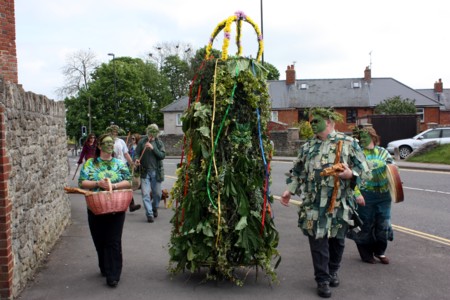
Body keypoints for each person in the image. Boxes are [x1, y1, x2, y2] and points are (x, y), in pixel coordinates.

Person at [280, 108, 371, 298]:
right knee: (318, 242)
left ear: (329, 122)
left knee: (337, 240)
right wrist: (290, 190)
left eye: (316, 121)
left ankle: (333, 270)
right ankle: (322, 279)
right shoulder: (307, 147)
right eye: (311, 121)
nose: (312, 124)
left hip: (339, 203)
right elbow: (297, 172)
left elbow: (365, 171)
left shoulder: (348, 143)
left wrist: (350, 175)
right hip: (314, 205)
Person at [78, 133, 132, 288]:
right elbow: (82, 183)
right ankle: (104, 266)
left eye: (112, 143)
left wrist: (112, 186)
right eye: (107, 143)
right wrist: (97, 183)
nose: (110, 145)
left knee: (113, 240)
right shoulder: (90, 163)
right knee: (100, 240)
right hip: (95, 207)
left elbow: (128, 182)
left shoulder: (120, 163)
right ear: (99, 146)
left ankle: (113, 274)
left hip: (116, 207)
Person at [349, 125, 394, 265]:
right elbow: (352, 177)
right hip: (365, 194)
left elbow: (393, 170)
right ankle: (366, 254)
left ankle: (380, 251)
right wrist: (357, 194)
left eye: (364, 136)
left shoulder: (383, 152)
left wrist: (397, 184)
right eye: (360, 137)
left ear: (373, 137)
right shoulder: (356, 155)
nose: (362, 139)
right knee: (365, 225)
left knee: (383, 224)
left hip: (384, 195)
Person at [106, 125, 141, 212]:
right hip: (112, 167)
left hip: (122, 166)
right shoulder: (107, 141)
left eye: (115, 131)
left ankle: (131, 204)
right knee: (115, 186)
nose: (114, 133)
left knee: (127, 185)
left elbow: (126, 154)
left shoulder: (121, 141)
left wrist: (131, 163)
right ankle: (113, 205)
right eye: (112, 131)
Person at [134, 124, 165, 223]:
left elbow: (162, 156)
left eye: (154, 133)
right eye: (150, 132)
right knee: (145, 193)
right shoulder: (142, 142)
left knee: (157, 194)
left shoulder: (159, 143)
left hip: (156, 172)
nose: (151, 135)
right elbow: (137, 153)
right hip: (144, 172)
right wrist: (136, 160)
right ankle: (149, 214)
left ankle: (154, 207)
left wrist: (153, 148)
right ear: (147, 132)